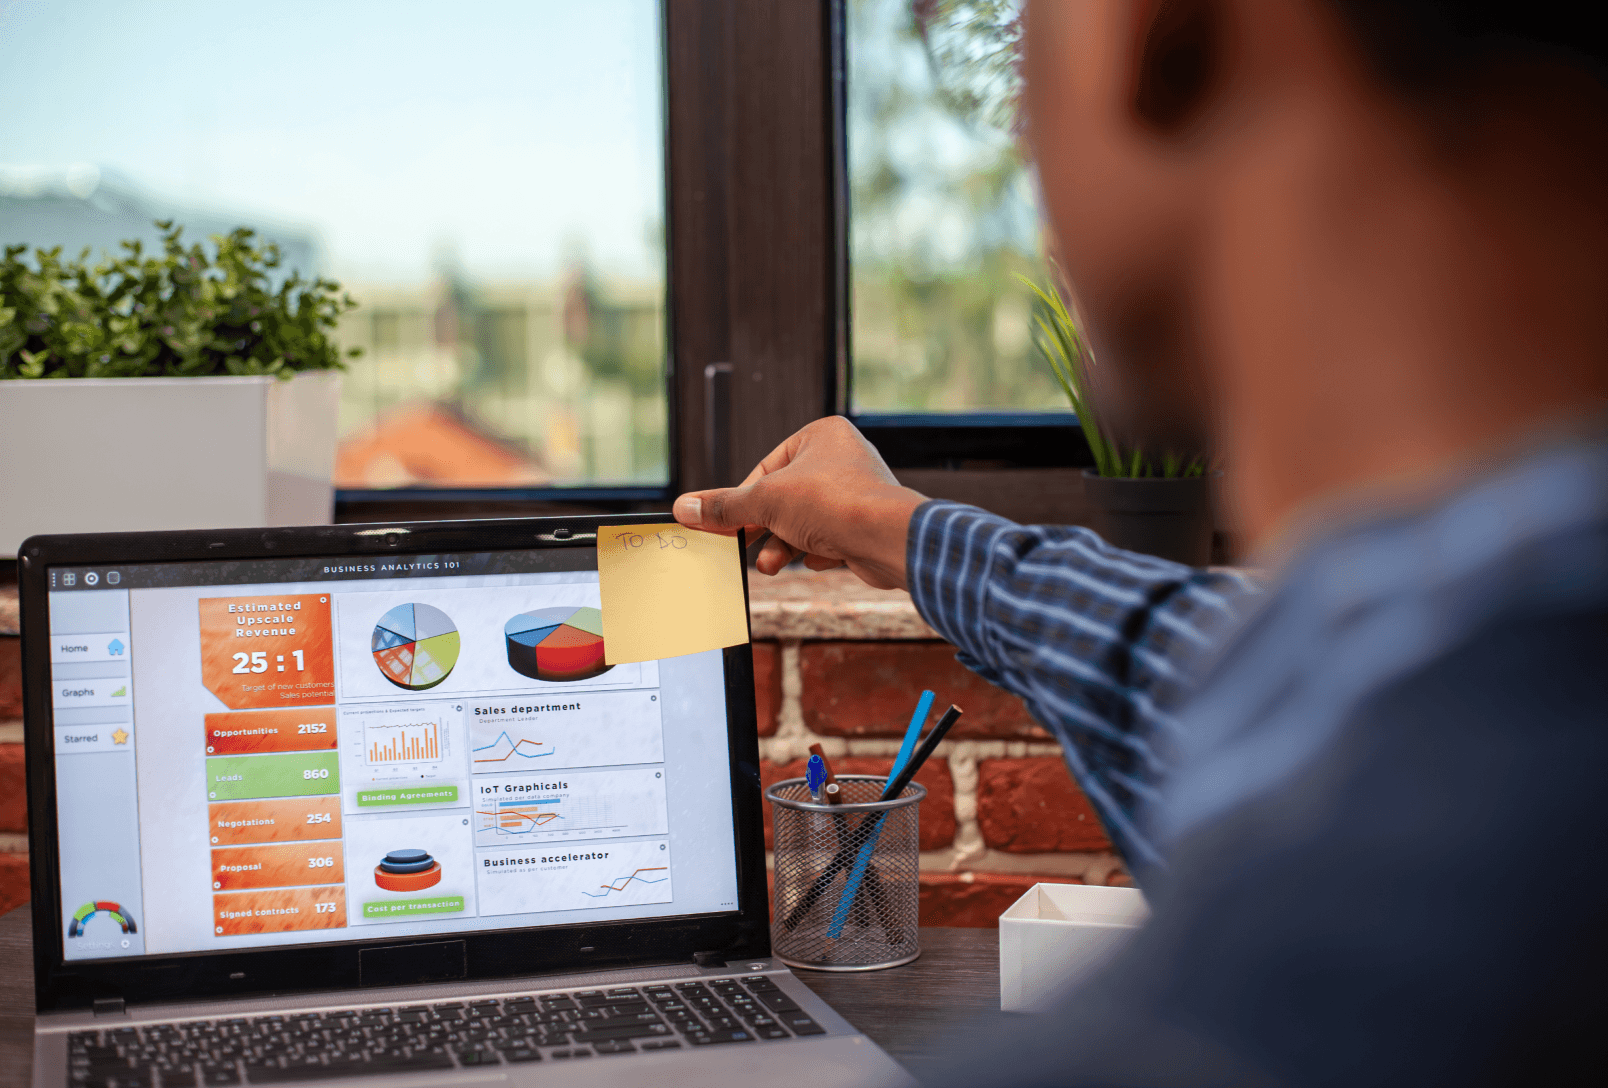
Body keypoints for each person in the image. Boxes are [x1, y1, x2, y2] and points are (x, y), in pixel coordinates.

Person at [674, 1, 1608, 1083]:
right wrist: (899, 531)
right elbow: (1202, 668)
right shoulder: (1467, 686)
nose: (1028, 131)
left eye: (1025, 34)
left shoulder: (1203, 1035)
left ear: (1159, 29)